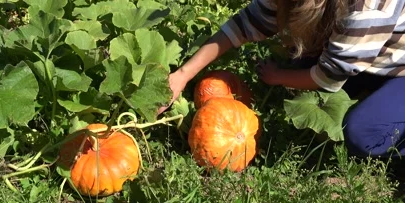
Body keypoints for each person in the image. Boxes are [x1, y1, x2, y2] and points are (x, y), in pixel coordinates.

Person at [158, 0, 405, 159]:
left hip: (399, 68)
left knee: (364, 136)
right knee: (300, 59)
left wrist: (279, 77)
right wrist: (182, 75)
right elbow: (243, 25)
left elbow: (328, 77)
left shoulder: (368, 10)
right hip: (370, 50)